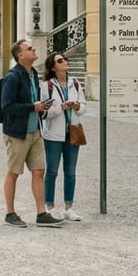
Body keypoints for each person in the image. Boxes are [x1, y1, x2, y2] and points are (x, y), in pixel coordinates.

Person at [0, 40, 61, 228]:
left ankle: (41, 213)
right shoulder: (13, 77)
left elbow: (34, 100)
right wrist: (32, 107)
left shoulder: (33, 74)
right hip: (17, 133)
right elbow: (6, 106)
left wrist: (41, 107)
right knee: (13, 173)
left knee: (39, 171)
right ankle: (10, 213)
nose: (34, 50)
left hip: (35, 131)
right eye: (30, 49)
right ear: (20, 56)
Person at [42, 51, 86, 221]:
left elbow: (84, 107)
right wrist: (61, 107)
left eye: (65, 59)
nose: (65, 62)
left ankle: (69, 208)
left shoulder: (74, 83)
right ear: (53, 67)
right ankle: (50, 207)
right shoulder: (47, 86)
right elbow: (44, 113)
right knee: (52, 172)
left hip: (72, 132)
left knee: (70, 172)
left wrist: (76, 106)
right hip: (53, 135)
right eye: (60, 60)